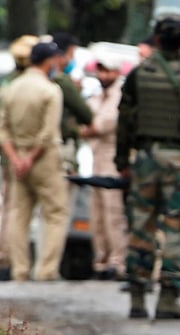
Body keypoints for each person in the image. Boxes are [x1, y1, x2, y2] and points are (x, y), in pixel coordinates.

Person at [115, 7, 180, 320]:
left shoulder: (138, 74)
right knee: (174, 226)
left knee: (141, 225)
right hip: (177, 160)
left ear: (157, 38)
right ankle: (168, 297)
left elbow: (125, 120)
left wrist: (122, 161)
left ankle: (136, 297)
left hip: (144, 158)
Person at [0, 41, 70, 282]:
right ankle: (46, 270)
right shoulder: (50, 90)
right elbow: (47, 133)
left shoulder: (11, 88)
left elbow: (2, 131)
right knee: (56, 212)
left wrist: (16, 158)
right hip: (43, 158)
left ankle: (20, 270)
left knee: (19, 214)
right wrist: (31, 158)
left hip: (17, 157)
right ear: (49, 62)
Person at [0, 34, 39, 281]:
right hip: (22, 155)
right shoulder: (22, 84)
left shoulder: (8, 83)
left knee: (12, 208)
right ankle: (7, 258)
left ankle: (5, 257)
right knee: (16, 208)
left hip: (9, 154)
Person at [81, 53, 127, 281]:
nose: (103, 75)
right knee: (97, 216)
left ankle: (117, 262)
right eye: (100, 71)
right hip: (97, 161)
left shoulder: (119, 96)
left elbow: (100, 125)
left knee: (113, 215)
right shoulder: (99, 97)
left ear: (117, 73)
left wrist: (86, 128)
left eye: (108, 71)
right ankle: (101, 260)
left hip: (113, 163)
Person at [51, 32, 94, 175]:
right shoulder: (64, 81)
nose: (72, 59)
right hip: (62, 146)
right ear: (60, 56)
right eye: (71, 54)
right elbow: (87, 115)